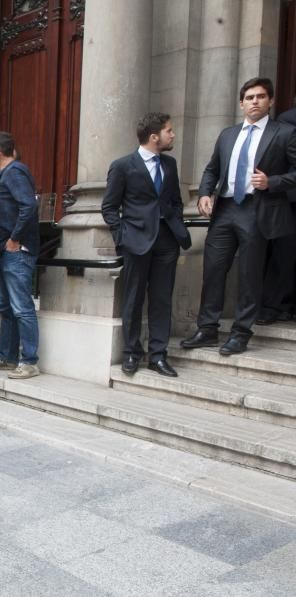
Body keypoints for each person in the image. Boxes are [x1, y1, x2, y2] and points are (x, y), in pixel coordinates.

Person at [182, 77, 296, 355]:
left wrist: (273, 182)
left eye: (260, 96)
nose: (254, 101)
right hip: (225, 210)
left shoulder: (283, 133)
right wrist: (205, 194)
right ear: (241, 103)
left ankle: (241, 333)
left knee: (249, 273)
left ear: (269, 101)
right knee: (213, 269)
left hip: (258, 209)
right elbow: (212, 170)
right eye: (249, 97)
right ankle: (208, 328)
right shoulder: (228, 134)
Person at [101, 112, 192, 377]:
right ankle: (131, 353)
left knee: (162, 300)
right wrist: (123, 237)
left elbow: (175, 200)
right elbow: (109, 208)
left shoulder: (170, 164)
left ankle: (159, 355)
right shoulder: (122, 166)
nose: (172, 135)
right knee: (133, 299)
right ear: (154, 137)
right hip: (136, 242)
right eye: (169, 131)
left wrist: (176, 224)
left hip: (167, 242)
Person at [0, 132, 41, 379]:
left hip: (16, 252)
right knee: (5, 305)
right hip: (4, 251)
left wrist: (15, 238)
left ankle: (29, 361)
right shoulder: (6, 175)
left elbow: (29, 206)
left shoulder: (15, 172)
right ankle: (7, 357)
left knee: (21, 307)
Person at [258, 101, 296, 325]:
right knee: (284, 254)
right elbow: (281, 162)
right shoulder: (289, 120)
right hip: (290, 201)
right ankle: (275, 305)